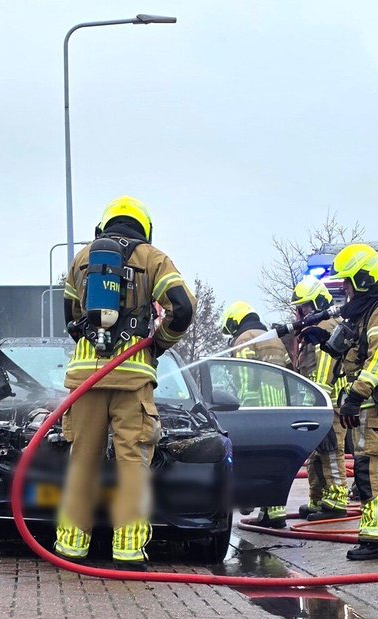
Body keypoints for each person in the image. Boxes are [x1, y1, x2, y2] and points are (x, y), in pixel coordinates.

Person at [55, 196, 195, 564]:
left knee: (82, 460)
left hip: (85, 376)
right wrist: (156, 345)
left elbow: (69, 314)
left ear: (104, 224)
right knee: (132, 462)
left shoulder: (82, 257)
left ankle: (72, 547)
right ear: (143, 227)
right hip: (133, 376)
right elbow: (183, 307)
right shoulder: (153, 258)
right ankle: (128, 549)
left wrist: (91, 350)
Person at [327, 244, 378, 560]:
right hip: (373, 406)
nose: (345, 288)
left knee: (370, 470)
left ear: (363, 278)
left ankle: (376, 540)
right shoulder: (368, 310)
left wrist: (356, 394)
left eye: (347, 281)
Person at [221, 300, 291, 527]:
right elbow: (289, 371)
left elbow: (244, 375)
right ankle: (276, 511)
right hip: (279, 406)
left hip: (258, 406)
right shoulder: (274, 338)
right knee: (276, 458)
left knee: (256, 460)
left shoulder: (244, 339)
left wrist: (242, 407)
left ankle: (254, 501)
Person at [291, 276, 349, 521]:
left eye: (303, 307)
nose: (300, 313)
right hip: (318, 403)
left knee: (332, 452)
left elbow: (325, 367)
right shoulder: (314, 329)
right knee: (317, 454)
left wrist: (321, 402)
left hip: (330, 403)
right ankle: (319, 499)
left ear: (315, 304)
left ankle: (336, 501)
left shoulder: (327, 326)